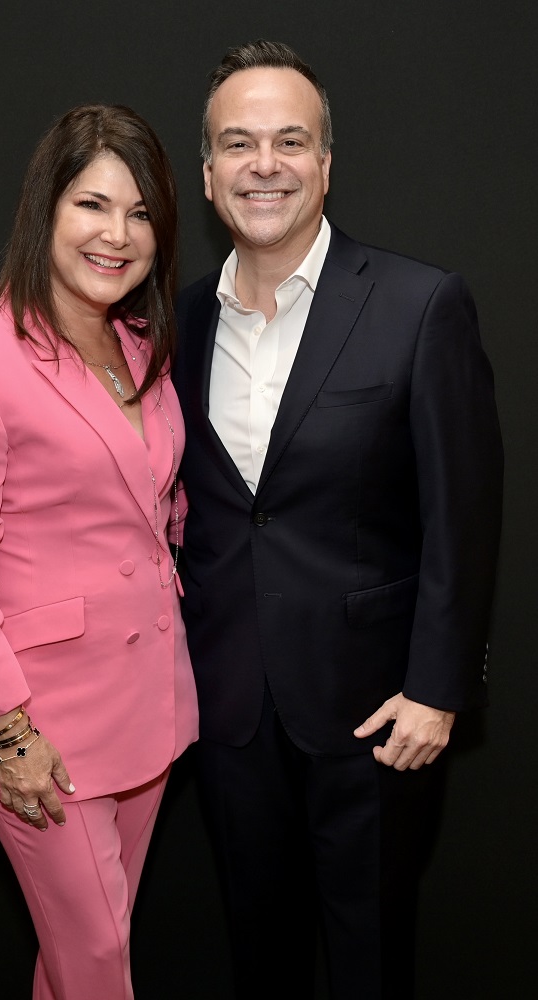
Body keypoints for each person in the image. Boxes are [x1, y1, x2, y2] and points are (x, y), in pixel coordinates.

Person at [174, 40, 503, 1000]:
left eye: (289, 141)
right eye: (238, 144)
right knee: (257, 955)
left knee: (369, 958)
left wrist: (437, 690)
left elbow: (464, 514)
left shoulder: (419, 303)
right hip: (229, 710)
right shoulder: (176, 323)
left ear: (326, 163)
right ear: (207, 173)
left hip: (375, 715)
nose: (263, 164)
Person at [0, 103, 198, 1000]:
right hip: (39, 729)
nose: (118, 234)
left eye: (141, 213)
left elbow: (154, 503)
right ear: (47, 210)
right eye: (93, 205)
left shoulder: (138, 346)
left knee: (81, 959)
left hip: (146, 707)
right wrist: (9, 729)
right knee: (101, 961)